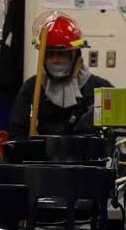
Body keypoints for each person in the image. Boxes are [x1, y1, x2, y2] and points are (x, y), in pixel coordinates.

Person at [8, 11, 113, 140]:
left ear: (75, 55)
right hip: (41, 158)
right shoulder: (32, 87)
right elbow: (16, 133)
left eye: (61, 54)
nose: (55, 60)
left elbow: (118, 134)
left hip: (85, 158)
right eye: (50, 55)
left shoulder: (100, 88)